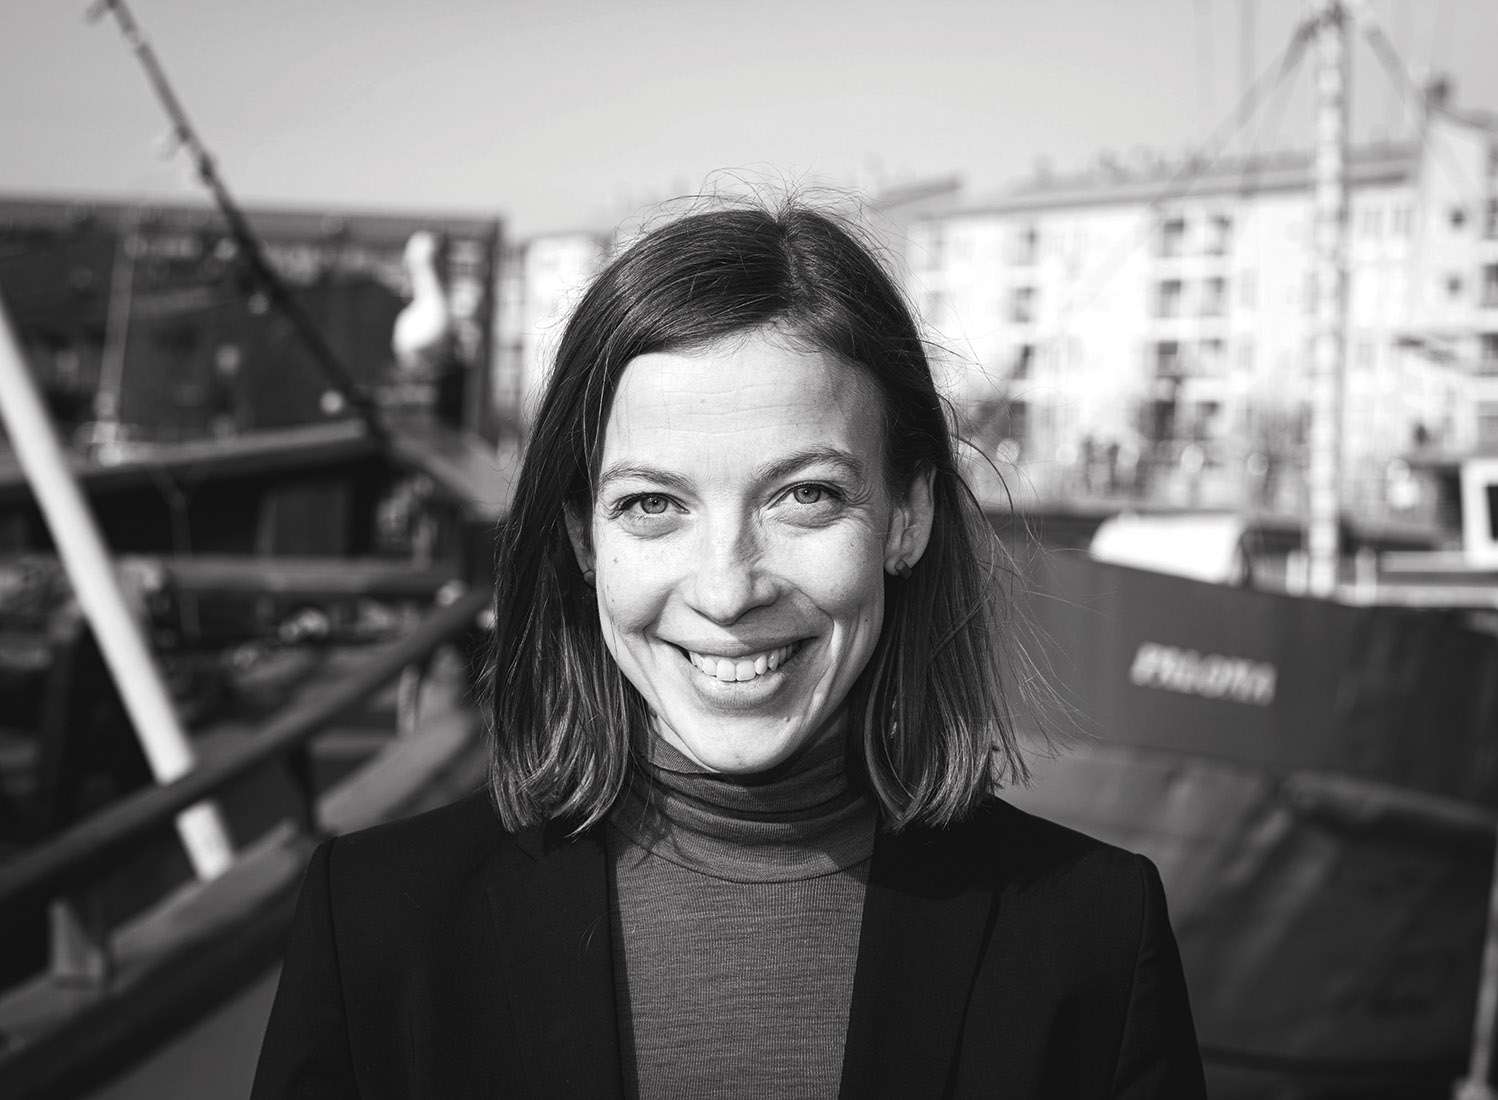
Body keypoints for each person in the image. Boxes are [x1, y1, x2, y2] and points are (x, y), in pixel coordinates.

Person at [250, 201, 1207, 1099]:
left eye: (805, 496)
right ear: (584, 538)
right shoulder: (375, 926)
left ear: (907, 516)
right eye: (652, 505)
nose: (727, 589)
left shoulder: (1093, 939)